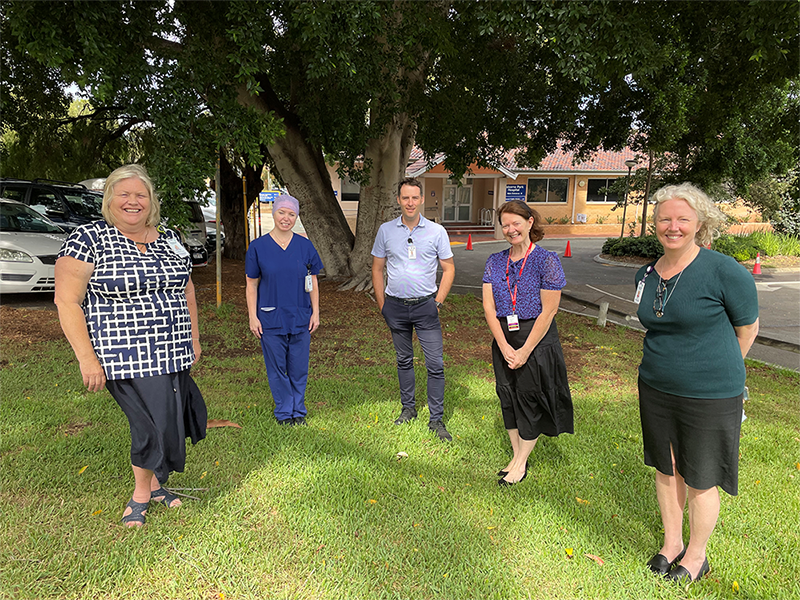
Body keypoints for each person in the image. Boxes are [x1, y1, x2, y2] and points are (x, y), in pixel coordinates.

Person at [55, 164, 207, 528]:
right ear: (110, 199)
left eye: (140, 195)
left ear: (151, 201)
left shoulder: (168, 237)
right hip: (123, 355)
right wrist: (86, 358)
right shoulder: (88, 239)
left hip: (172, 351)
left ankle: (155, 486)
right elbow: (67, 301)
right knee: (149, 426)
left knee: (167, 421)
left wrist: (195, 338)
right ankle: (142, 493)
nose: (133, 201)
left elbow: (186, 288)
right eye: (124, 194)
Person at [635, 183, 759, 582]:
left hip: (710, 393)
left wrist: (717, 370)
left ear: (699, 223)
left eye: (682, 219)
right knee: (667, 468)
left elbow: (748, 329)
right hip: (655, 386)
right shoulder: (647, 273)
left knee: (701, 476)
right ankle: (671, 544)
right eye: (664, 219)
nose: (673, 226)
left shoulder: (723, 270)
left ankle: (696, 555)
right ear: (654, 224)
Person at [482, 201, 573, 487]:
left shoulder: (546, 260)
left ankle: (520, 464)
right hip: (504, 338)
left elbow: (549, 311)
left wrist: (524, 350)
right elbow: (488, 307)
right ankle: (516, 455)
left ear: (530, 222)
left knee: (529, 398)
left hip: (536, 339)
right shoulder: (495, 261)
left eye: (516, 223)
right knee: (508, 396)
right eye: (505, 225)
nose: (510, 230)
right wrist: (505, 345)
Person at [371, 178, 455, 441]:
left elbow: (449, 268)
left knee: (435, 364)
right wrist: (382, 305)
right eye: (405, 198)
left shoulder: (436, 231)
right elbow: (376, 268)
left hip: (426, 307)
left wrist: (438, 301)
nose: (410, 203)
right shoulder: (386, 231)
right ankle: (408, 409)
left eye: (414, 198)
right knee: (403, 360)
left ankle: (437, 420)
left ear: (421, 200)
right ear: (398, 200)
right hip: (395, 306)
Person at [246, 195, 322, 426]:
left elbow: (313, 281)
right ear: (274, 213)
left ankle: (298, 411)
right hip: (270, 317)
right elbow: (251, 283)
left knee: (298, 367)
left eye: (291, 214)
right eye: (282, 212)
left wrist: (316, 312)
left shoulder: (305, 246)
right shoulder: (258, 247)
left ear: (296, 217)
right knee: (277, 367)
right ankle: (283, 412)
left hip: (300, 315)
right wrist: (252, 316)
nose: (286, 218)